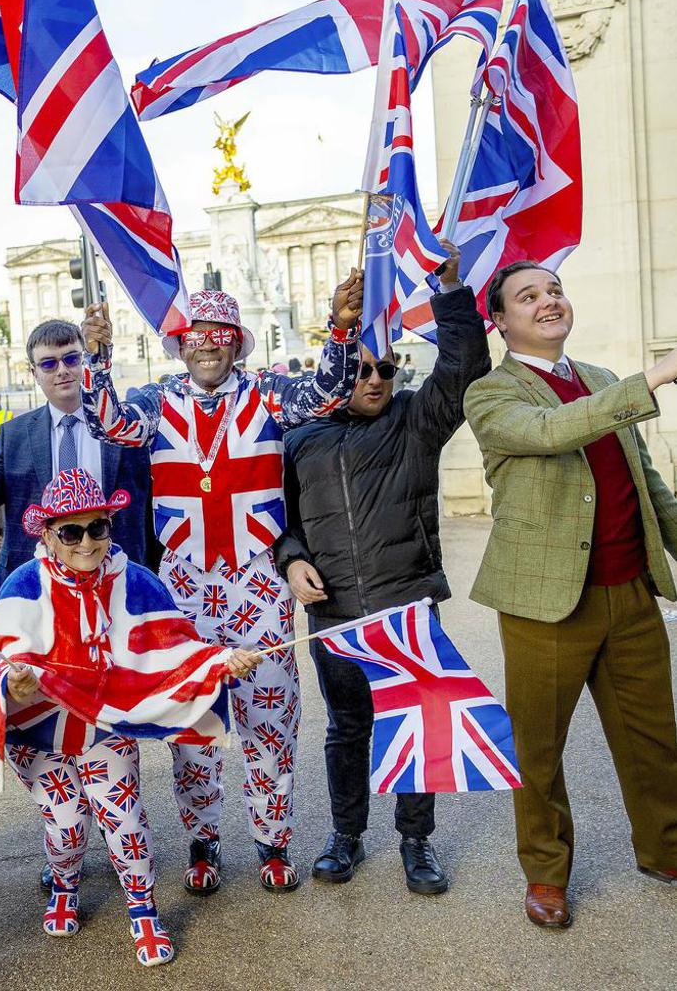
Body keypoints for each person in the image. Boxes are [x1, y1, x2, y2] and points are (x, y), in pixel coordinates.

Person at [79, 275, 362, 893]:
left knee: (270, 717)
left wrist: (341, 327)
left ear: (237, 344)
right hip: (183, 583)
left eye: (219, 336)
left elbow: (329, 390)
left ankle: (273, 842)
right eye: (195, 337)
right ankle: (204, 843)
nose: (207, 345)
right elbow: (107, 424)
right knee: (194, 721)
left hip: (257, 579)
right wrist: (97, 358)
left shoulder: (268, 394)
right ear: (180, 346)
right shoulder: (155, 401)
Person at [463, 261, 677, 929]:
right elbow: (553, 431)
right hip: (545, 605)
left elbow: (649, 486)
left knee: (655, 740)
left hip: (631, 592)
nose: (548, 300)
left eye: (554, 289)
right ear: (500, 321)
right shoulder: (492, 394)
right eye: (528, 296)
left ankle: (665, 849)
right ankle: (547, 874)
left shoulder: (603, 381)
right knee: (539, 750)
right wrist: (659, 375)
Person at [274, 243, 489, 894]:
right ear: (341, 372)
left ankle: (416, 843)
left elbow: (465, 366)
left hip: (404, 604)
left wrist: (452, 292)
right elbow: (281, 522)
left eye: (386, 369)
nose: (374, 378)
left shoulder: (415, 421)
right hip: (334, 610)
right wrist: (292, 560)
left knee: (415, 722)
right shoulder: (300, 437)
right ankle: (346, 836)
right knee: (347, 730)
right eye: (363, 368)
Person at [0, 468, 263, 967]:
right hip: (38, 734)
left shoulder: (135, 581)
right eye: (71, 531)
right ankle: (65, 886)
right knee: (67, 827)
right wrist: (9, 684)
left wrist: (222, 661)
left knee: (125, 819)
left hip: (104, 726)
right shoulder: (23, 585)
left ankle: (144, 913)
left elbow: (176, 647)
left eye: (98, 528)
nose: (87, 542)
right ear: (48, 534)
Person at [0, 319, 156, 597]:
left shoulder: (126, 426)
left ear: (85, 361)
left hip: (120, 583)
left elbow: (152, 508)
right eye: (49, 364)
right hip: (37, 589)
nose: (62, 371)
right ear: (34, 373)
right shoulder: (13, 434)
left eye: (72, 359)